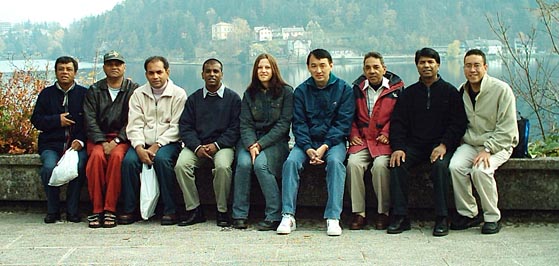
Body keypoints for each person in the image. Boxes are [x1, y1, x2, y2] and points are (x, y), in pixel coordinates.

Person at [388, 47, 467, 237]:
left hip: (440, 145)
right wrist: (398, 148)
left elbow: (458, 124)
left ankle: (442, 217)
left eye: (431, 62)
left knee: (440, 166)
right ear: (417, 66)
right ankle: (400, 216)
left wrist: (444, 145)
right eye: (422, 62)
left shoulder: (450, 93)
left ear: (438, 65)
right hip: (414, 145)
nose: (426, 66)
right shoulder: (409, 94)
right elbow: (398, 123)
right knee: (398, 164)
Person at [276, 49, 355, 236]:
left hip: (333, 142)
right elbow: (299, 123)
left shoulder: (344, 89)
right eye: (314, 66)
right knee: (290, 163)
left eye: (322, 65)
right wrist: (309, 148)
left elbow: (343, 124)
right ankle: (288, 215)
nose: (318, 70)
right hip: (307, 143)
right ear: (308, 68)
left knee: (336, 163)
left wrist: (325, 146)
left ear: (331, 65)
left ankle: (333, 217)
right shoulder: (302, 91)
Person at [449, 49, 518, 234]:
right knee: (455, 167)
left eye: (477, 65)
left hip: (499, 144)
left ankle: (492, 217)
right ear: (463, 68)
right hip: (471, 143)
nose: (473, 70)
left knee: (480, 170)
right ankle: (469, 214)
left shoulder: (501, 90)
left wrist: (488, 148)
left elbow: (507, 128)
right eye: (468, 66)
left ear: (485, 67)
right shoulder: (462, 91)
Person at [119, 56, 187, 226]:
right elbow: (134, 125)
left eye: (159, 72)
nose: (155, 77)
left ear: (167, 72)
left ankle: (170, 210)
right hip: (142, 142)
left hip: (169, 142)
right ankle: (130, 208)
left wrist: (158, 145)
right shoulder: (138, 94)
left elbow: (177, 126)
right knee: (129, 162)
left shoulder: (178, 94)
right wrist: (139, 147)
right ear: (146, 74)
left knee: (163, 161)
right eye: (151, 73)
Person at [175, 58, 241, 227]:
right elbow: (185, 127)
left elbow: (235, 128)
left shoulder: (233, 99)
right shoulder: (194, 99)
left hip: (222, 146)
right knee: (181, 166)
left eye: (216, 71)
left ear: (222, 74)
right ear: (202, 74)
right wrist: (196, 147)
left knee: (223, 167)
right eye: (208, 71)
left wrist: (217, 145)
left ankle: (222, 210)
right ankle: (194, 209)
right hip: (197, 146)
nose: (212, 74)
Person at [231, 54, 294, 231]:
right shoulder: (249, 93)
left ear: (273, 69)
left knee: (260, 165)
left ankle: (274, 214)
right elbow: (245, 123)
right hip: (249, 140)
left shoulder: (286, 92)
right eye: (260, 67)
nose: (263, 71)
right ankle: (239, 214)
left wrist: (260, 145)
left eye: (267, 67)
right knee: (243, 163)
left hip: (275, 141)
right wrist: (252, 144)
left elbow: (283, 124)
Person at [346, 51, 404, 230]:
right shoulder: (357, 88)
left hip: (384, 141)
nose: (372, 71)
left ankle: (383, 212)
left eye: (376, 67)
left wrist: (388, 132)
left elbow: (401, 117)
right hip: (363, 140)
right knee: (353, 164)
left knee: (380, 166)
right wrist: (353, 134)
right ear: (363, 69)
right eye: (368, 67)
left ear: (384, 69)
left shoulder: (396, 89)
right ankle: (359, 213)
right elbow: (350, 115)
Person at [83, 51, 139, 228]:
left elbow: (134, 119)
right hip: (98, 137)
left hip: (122, 138)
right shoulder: (94, 90)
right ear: (104, 67)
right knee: (96, 159)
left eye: (118, 64)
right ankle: (97, 209)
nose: (114, 67)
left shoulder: (133, 90)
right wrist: (100, 141)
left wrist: (116, 141)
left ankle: (110, 209)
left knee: (116, 159)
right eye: (110, 64)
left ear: (124, 67)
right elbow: (89, 119)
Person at [30, 56, 87, 224]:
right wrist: (57, 120)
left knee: (79, 167)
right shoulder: (46, 94)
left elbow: (91, 122)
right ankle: (53, 210)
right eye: (61, 69)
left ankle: (72, 210)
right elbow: (36, 120)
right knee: (48, 168)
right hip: (51, 144)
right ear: (56, 72)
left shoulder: (84, 93)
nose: (64, 72)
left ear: (75, 72)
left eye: (68, 69)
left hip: (76, 145)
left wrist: (81, 141)